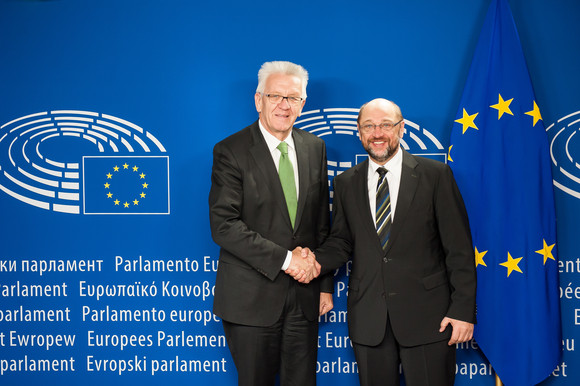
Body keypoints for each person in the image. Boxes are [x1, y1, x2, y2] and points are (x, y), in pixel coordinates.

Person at [292, 98, 477, 386]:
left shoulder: (435, 175)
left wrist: (463, 311)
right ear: (359, 132)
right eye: (369, 126)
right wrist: (312, 261)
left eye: (385, 125)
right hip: (369, 320)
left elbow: (460, 250)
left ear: (401, 129)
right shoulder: (345, 183)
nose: (377, 133)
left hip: (429, 319)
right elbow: (340, 242)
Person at [209, 60, 333, 386]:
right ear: (258, 100)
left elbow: (321, 224)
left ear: (303, 104)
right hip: (251, 300)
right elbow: (224, 224)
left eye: (292, 98)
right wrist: (289, 260)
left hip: (304, 300)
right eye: (275, 95)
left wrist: (324, 285)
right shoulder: (230, 151)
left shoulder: (315, 148)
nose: (283, 105)